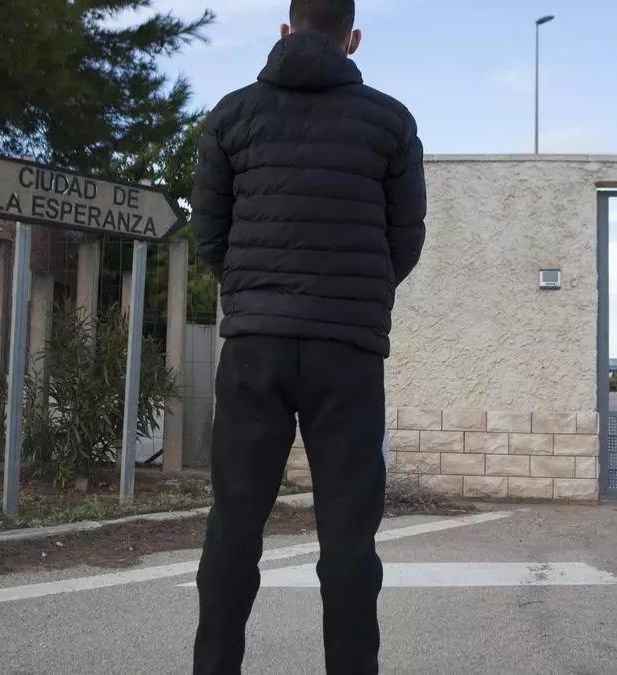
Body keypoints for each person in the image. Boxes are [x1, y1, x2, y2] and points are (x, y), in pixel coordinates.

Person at [189, 0, 426, 672]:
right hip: (348, 353)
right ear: (353, 38)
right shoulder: (390, 121)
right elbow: (403, 240)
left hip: (254, 347)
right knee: (349, 538)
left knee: (234, 524)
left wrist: (253, 295)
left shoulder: (231, 115)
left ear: (285, 30)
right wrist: (361, 298)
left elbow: (210, 234)